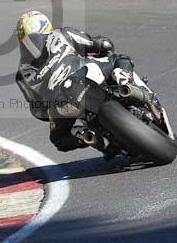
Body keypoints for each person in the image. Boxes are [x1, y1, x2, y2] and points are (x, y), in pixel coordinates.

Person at [14, 11, 135, 153]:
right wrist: (102, 46)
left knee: (59, 140)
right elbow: (100, 43)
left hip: (61, 103)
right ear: (46, 25)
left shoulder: (21, 74)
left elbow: (37, 109)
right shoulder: (62, 34)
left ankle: (89, 137)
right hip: (84, 74)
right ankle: (125, 83)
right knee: (120, 58)